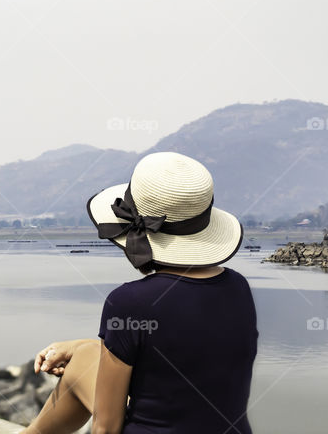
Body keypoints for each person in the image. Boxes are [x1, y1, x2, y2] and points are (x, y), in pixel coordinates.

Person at [21, 152, 258, 434]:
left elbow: (105, 428)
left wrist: (86, 350)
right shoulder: (238, 287)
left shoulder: (129, 302)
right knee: (86, 353)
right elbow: (177, 344)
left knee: (83, 362)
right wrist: (81, 345)